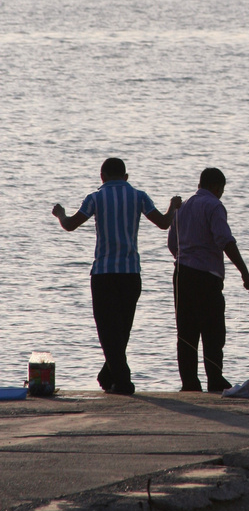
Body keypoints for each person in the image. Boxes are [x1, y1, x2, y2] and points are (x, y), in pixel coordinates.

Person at [52, 157, 181, 395]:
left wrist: (60, 213)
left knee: (107, 329)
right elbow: (164, 223)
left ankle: (123, 382)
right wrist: (173, 206)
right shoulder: (139, 196)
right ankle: (108, 375)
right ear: (126, 177)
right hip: (131, 272)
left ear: (102, 177)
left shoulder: (95, 198)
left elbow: (70, 225)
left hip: (103, 273)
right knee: (122, 329)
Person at [168, 167, 249, 392]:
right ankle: (214, 378)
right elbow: (225, 241)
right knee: (213, 330)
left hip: (181, 275)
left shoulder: (182, 206)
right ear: (217, 187)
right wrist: (244, 273)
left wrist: (187, 257)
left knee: (186, 332)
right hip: (206, 277)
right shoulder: (214, 206)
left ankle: (189, 383)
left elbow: (172, 245)